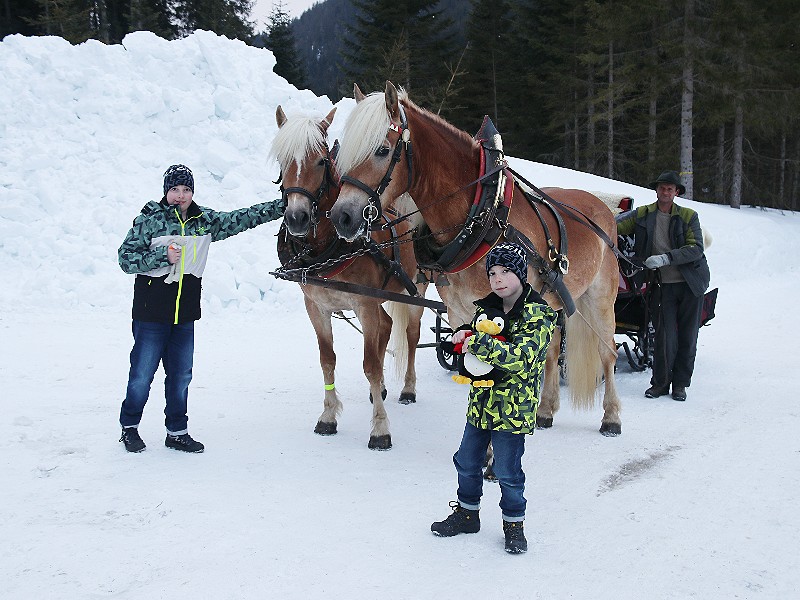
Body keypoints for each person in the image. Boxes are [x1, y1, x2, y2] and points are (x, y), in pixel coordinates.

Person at [117, 164, 285, 453]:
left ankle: (177, 432)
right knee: (142, 375)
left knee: (181, 376)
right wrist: (162, 256)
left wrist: (284, 204)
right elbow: (125, 258)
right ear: (165, 192)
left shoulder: (203, 221)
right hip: (151, 313)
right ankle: (129, 427)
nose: (180, 196)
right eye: (174, 190)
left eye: (186, 190)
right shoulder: (150, 220)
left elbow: (242, 218)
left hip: (184, 314)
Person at [431, 242, 557, 554]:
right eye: (492, 273)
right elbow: (474, 344)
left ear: (521, 273)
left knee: (508, 472)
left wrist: (478, 343)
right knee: (467, 460)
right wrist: (461, 337)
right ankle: (467, 513)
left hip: (513, 411)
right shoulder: (486, 309)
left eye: (505, 272)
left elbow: (524, 357)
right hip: (480, 405)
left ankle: (514, 525)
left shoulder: (539, 313)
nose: (497, 279)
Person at [616, 170, 711, 402]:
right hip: (661, 285)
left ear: (677, 192)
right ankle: (659, 384)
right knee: (663, 337)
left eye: (670, 188)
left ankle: (680, 385)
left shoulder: (689, 216)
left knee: (687, 337)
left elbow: (696, 248)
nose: (665, 191)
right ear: (656, 190)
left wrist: (665, 258)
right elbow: (614, 225)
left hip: (690, 285)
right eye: (662, 187)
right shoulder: (643, 214)